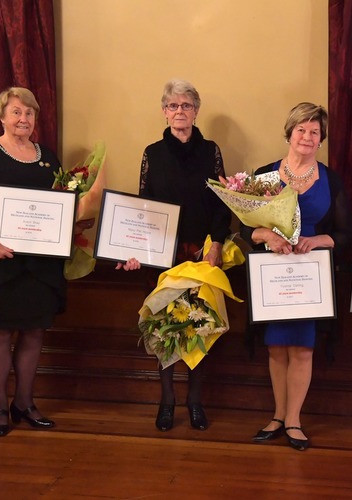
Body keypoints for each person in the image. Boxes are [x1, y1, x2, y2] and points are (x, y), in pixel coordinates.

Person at [240, 102, 352, 450]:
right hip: (272, 277)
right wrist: (266, 236)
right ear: (289, 133)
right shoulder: (264, 176)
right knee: (276, 348)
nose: (307, 136)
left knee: (303, 349)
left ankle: (293, 421)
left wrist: (318, 240)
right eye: (301, 129)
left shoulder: (331, 180)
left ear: (321, 139)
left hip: (311, 278)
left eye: (314, 131)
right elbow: (245, 229)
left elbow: (347, 235)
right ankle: (276, 415)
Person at [0, 87, 75, 436]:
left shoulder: (48, 157)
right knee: (0, 332)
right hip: (1, 260)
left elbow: (59, 207)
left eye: (29, 113)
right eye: (16, 111)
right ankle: (0, 407)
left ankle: (25, 403)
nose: (23, 119)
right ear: (1, 117)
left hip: (41, 264)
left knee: (34, 332)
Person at [138, 79, 231, 432]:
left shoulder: (211, 151)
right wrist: (137, 250)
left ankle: (195, 401)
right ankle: (167, 401)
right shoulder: (152, 153)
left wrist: (218, 245)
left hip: (201, 255)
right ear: (164, 112)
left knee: (198, 327)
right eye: (173, 106)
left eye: (186, 106)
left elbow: (223, 202)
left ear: (196, 111)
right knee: (164, 328)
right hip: (162, 254)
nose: (180, 111)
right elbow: (143, 205)